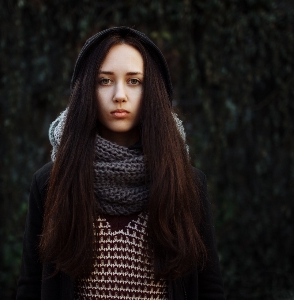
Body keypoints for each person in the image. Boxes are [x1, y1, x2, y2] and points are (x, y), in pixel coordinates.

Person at [16, 26, 225, 300]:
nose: (119, 95)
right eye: (104, 81)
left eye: (134, 81)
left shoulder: (186, 183)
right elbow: (31, 286)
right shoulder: (52, 182)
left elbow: (209, 288)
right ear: (86, 92)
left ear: (153, 92)